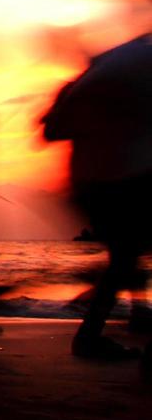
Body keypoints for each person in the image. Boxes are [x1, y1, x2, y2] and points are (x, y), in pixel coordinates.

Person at [42, 29, 152, 362]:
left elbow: (51, 130)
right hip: (118, 183)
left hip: (96, 186)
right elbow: (53, 130)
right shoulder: (91, 86)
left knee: (125, 258)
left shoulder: (89, 83)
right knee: (126, 257)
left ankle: (100, 332)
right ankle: (105, 333)